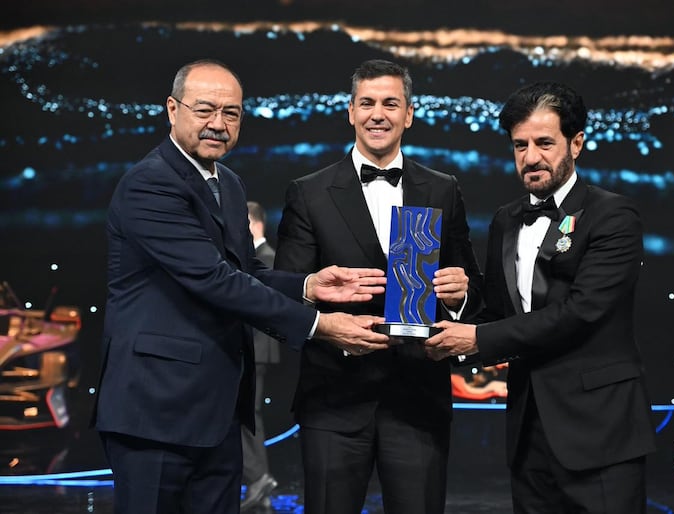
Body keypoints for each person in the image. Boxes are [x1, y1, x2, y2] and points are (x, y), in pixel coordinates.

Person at [92, 58, 391, 514]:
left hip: (218, 412)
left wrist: (310, 285)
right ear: (172, 109)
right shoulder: (149, 184)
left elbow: (246, 270)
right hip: (154, 411)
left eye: (230, 113)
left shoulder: (228, 184)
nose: (218, 123)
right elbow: (214, 280)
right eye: (205, 110)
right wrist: (319, 325)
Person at [424, 81, 657, 513]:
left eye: (544, 143)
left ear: (576, 143)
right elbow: (498, 312)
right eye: (520, 145)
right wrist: (457, 308)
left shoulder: (613, 215)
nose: (531, 157)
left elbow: (580, 313)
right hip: (528, 432)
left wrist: (477, 339)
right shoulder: (505, 220)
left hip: (600, 430)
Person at [273, 59, 483, 514]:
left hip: (417, 400)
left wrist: (460, 296)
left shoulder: (443, 189)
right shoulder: (308, 192)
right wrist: (329, 324)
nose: (378, 114)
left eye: (390, 103)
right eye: (367, 103)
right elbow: (286, 292)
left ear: (409, 114)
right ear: (350, 111)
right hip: (333, 399)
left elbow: (472, 291)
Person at [240, 201, 279, 513]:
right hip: (253, 347)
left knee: (243, 414)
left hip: (255, 346)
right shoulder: (259, 257)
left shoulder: (265, 258)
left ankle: (257, 477)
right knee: (247, 414)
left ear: (254, 224)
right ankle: (258, 482)